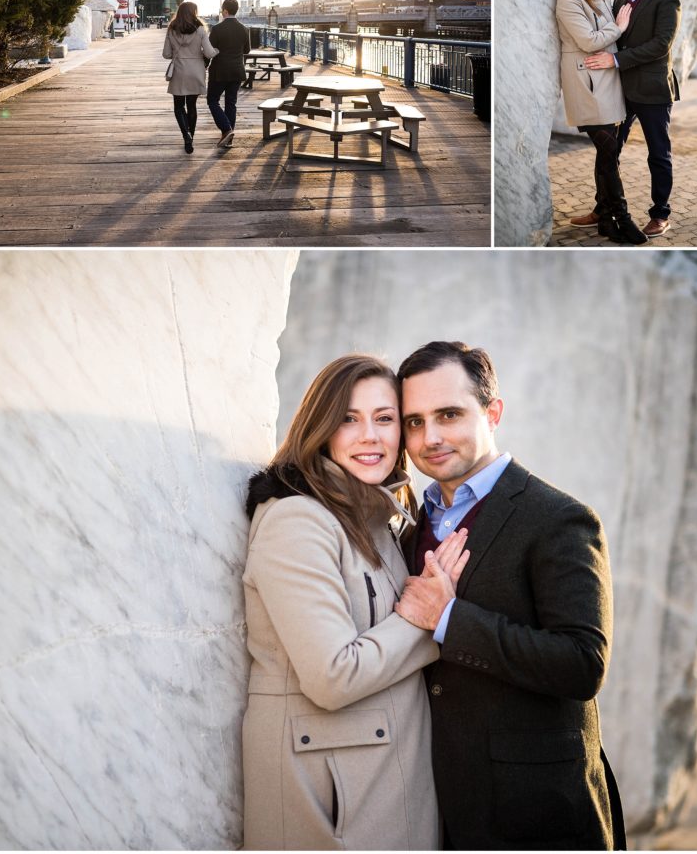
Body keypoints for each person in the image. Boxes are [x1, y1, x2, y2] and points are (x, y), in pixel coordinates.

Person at [393, 341, 627, 851]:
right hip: (434, 809)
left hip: (536, 808)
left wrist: (450, 618)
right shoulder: (408, 524)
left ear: (492, 411)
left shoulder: (559, 518)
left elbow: (583, 664)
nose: (429, 437)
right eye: (414, 421)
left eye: (448, 414)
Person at [242, 354, 464, 850]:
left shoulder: (377, 519)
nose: (370, 436)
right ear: (320, 428)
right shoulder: (297, 522)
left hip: (383, 784)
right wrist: (420, 618)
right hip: (331, 802)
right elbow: (332, 675)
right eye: (348, 419)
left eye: (384, 419)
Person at [582, 0, 682, 239]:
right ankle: (602, 207)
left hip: (652, 91)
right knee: (608, 151)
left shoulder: (668, 0)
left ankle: (660, 213)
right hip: (620, 89)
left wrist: (615, 59)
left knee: (658, 154)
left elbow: (660, 46)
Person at [554, 0, 647, 245]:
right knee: (608, 155)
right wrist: (619, 28)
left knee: (608, 156)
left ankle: (606, 220)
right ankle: (623, 217)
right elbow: (588, 39)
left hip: (609, 82)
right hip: (587, 85)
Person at [162, 1, 218, 154]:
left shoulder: (172, 29)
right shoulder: (200, 29)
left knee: (178, 106)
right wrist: (216, 50)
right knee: (191, 105)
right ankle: (191, 137)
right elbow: (209, 52)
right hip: (196, 71)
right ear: (194, 12)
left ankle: (185, 135)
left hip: (179, 71)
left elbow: (166, 54)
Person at [207, 0, 250, 149]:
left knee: (212, 100)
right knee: (231, 103)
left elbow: (210, 51)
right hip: (237, 71)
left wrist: (204, 65)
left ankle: (226, 129)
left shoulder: (217, 29)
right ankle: (228, 139)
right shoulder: (244, 29)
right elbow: (247, 51)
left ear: (225, 11)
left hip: (219, 71)